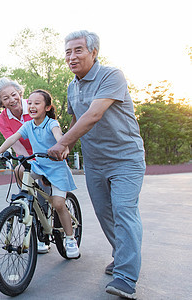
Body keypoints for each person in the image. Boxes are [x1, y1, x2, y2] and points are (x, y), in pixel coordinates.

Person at [48, 30, 145, 299]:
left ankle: (125, 275)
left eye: (78, 50)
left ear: (94, 52)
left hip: (126, 159)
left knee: (124, 211)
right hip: (95, 162)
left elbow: (93, 114)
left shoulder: (111, 76)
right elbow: (76, 120)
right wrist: (64, 142)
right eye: (68, 51)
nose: (71, 56)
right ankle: (124, 254)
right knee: (106, 215)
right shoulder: (71, 86)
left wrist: (62, 143)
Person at [0, 89, 80, 259]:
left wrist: (62, 147)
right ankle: (30, 203)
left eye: (37, 103)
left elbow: (59, 136)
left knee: (59, 204)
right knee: (19, 170)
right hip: (39, 166)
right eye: (30, 103)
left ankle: (70, 239)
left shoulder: (52, 123)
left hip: (56, 168)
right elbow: (12, 138)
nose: (31, 106)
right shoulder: (28, 125)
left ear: (47, 107)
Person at [0, 78, 49, 254]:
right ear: (1, 102)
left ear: (20, 94)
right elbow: (15, 144)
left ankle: (47, 212)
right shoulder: (2, 120)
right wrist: (27, 161)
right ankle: (33, 213)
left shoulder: (33, 107)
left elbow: (46, 132)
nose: (11, 100)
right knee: (20, 173)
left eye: (14, 95)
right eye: (6, 98)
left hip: (45, 150)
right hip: (26, 155)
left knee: (47, 190)